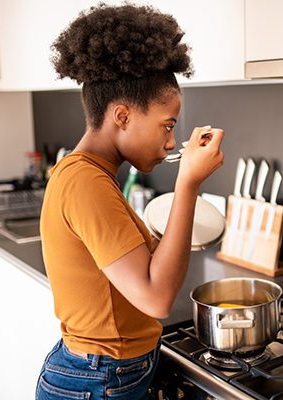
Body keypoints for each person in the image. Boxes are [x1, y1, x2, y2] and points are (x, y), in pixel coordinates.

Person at [35, 3, 224, 399]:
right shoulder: (85, 181)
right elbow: (156, 298)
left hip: (107, 373)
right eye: (167, 126)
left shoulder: (91, 174)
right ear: (122, 116)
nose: (171, 142)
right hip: (96, 380)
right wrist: (188, 182)